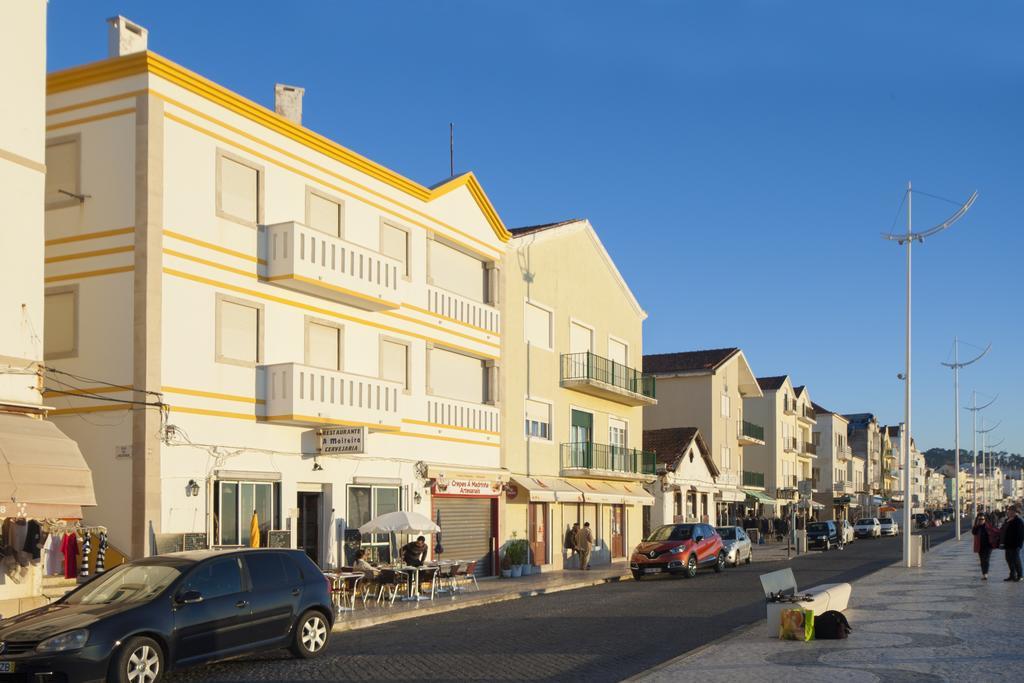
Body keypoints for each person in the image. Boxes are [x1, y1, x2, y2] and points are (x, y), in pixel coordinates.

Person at [971, 513, 999, 580]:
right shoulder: (977, 527)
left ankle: (985, 574)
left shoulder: (988, 526)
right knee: (982, 560)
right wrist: (976, 525)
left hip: (988, 546)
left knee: (986, 560)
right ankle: (984, 573)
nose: (981, 520)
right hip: (980, 546)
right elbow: (973, 532)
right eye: (979, 519)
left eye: (982, 519)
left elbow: (995, 531)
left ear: (985, 519)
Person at [1000, 505, 1024, 582]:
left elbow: (1021, 534)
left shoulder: (1018, 521)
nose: (1008, 513)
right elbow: (1003, 529)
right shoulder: (1007, 520)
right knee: (1009, 559)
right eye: (1008, 511)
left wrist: (1019, 545)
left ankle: (1020, 575)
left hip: (1015, 544)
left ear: (1014, 512)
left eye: (1010, 511)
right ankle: (1012, 575)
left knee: (1016, 560)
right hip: (1007, 544)